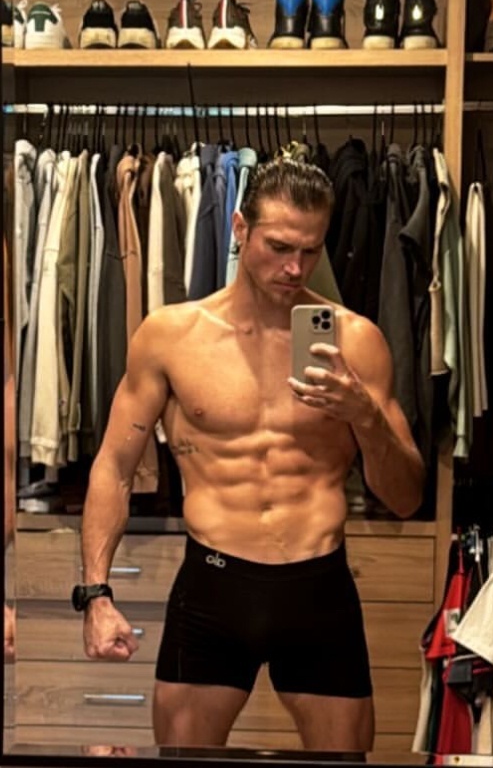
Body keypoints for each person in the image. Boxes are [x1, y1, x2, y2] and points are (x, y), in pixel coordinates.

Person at [79, 159, 425, 752]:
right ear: (240, 228)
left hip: (318, 589)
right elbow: (113, 466)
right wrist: (95, 594)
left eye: (311, 251)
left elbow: (406, 498)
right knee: (185, 764)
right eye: (279, 247)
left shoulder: (357, 342)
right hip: (213, 588)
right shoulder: (171, 336)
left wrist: (364, 415)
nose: (294, 268)